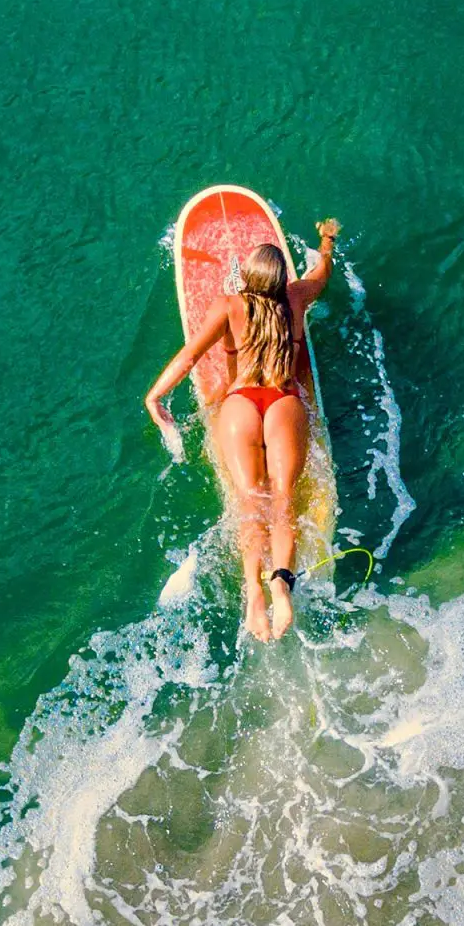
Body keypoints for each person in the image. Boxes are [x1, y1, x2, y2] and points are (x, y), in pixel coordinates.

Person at [146, 218, 342, 640]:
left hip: (240, 405)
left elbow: (189, 358)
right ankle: (281, 584)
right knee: (284, 499)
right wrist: (326, 241)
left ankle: (254, 591)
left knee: (251, 500)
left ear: (248, 277)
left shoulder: (229, 306)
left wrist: (155, 397)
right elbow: (322, 276)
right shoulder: (294, 299)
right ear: (280, 280)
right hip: (283, 400)